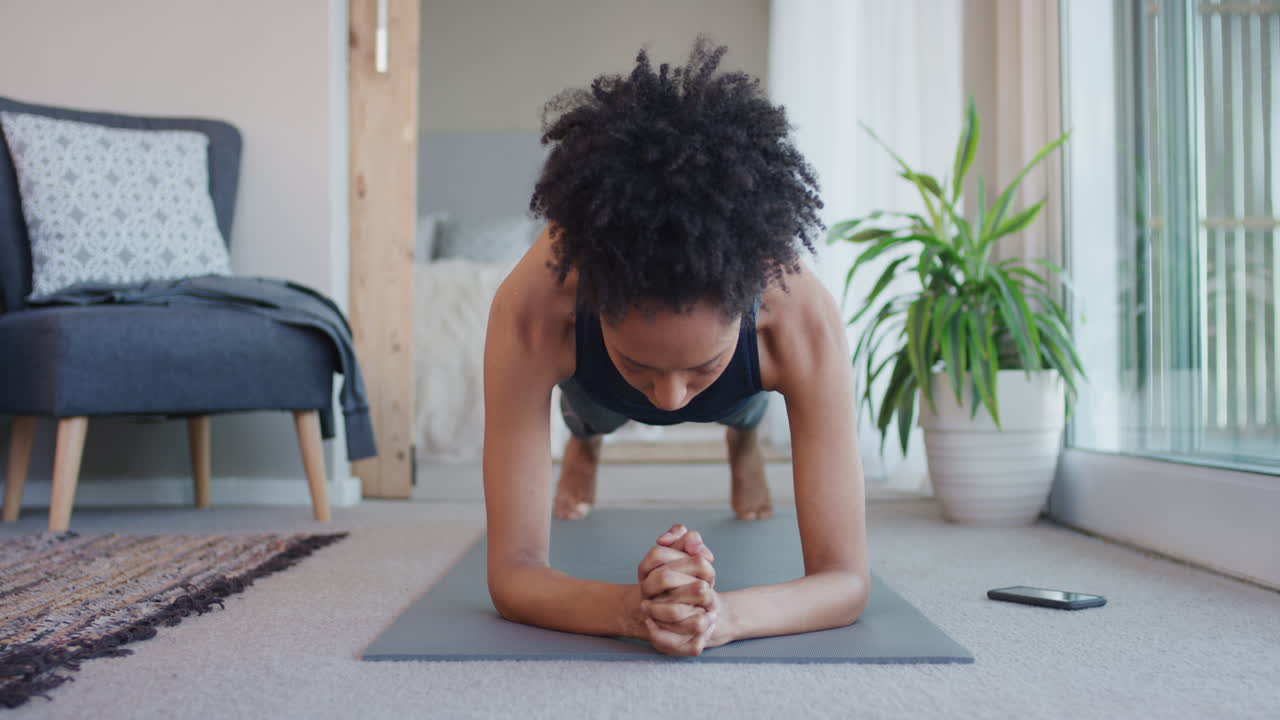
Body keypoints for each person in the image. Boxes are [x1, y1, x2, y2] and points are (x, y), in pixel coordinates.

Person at [482, 39, 868, 657]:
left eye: (701, 365)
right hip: (595, 388)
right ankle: (587, 441)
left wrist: (726, 616)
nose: (668, 400)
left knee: (739, 404)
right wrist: (632, 611)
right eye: (641, 365)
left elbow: (846, 581)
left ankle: (740, 435)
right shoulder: (533, 310)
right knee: (591, 410)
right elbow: (512, 576)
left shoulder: (801, 320)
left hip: (739, 388)